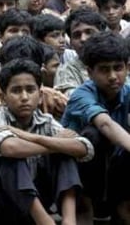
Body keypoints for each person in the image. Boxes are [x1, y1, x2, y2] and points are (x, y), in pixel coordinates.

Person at [0, 59, 94, 224]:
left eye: (30, 90)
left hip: (28, 202)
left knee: (64, 154)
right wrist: (54, 143)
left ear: (40, 94)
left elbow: (84, 148)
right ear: (3, 97)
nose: (24, 97)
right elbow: (10, 149)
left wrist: (35, 138)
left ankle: (69, 220)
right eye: (16, 91)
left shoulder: (46, 121)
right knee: (10, 158)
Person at [61, 32, 130, 223]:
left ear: (127, 67)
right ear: (90, 72)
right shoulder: (81, 95)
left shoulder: (127, 91)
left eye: (118, 68)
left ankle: (123, 206)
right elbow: (105, 124)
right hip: (76, 176)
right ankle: (87, 208)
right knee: (94, 135)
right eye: (104, 70)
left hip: (112, 172)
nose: (113, 76)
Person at [0, 35, 68, 138]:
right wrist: (56, 144)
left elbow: (79, 143)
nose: (24, 97)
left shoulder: (48, 95)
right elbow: (6, 142)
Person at [54, 7, 107, 97]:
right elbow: (77, 102)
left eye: (89, 32)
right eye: (77, 35)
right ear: (70, 42)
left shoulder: (117, 62)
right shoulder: (66, 71)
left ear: (102, 34)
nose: (83, 39)